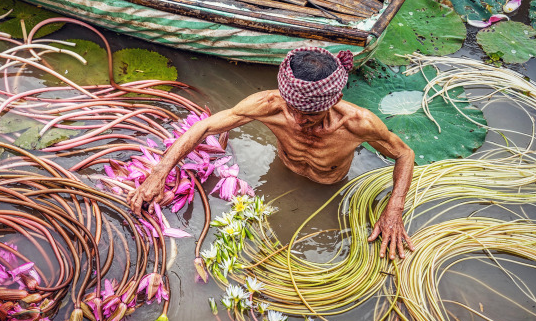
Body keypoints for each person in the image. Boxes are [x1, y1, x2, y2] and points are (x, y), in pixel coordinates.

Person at [128, 46, 416, 259]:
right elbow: (203, 129)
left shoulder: (358, 124)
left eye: (311, 114)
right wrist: (158, 174)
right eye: (293, 109)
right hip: (282, 175)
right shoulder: (269, 105)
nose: (299, 121)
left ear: (336, 99)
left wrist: (394, 210)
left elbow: (404, 154)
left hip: (329, 188)